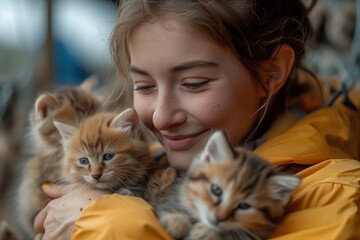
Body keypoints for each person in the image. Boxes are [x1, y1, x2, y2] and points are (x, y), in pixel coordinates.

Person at [34, 0, 360, 239]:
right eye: (144, 86)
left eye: (194, 84)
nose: (161, 116)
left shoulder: (335, 197)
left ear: (271, 72)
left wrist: (101, 220)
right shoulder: (157, 166)